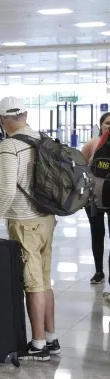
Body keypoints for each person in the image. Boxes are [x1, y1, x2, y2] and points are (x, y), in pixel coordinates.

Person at [0, 97, 58, 361]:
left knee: (32, 283)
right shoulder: (41, 138)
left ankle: (38, 345)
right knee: (44, 279)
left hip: (25, 221)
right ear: (25, 114)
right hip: (46, 217)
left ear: (3, 120)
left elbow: (7, 191)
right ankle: (52, 337)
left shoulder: (10, 146)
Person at [81, 112, 110, 286]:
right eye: (107, 123)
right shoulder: (93, 143)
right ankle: (99, 271)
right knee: (97, 234)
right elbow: (79, 165)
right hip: (94, 198)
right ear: (101, 125)